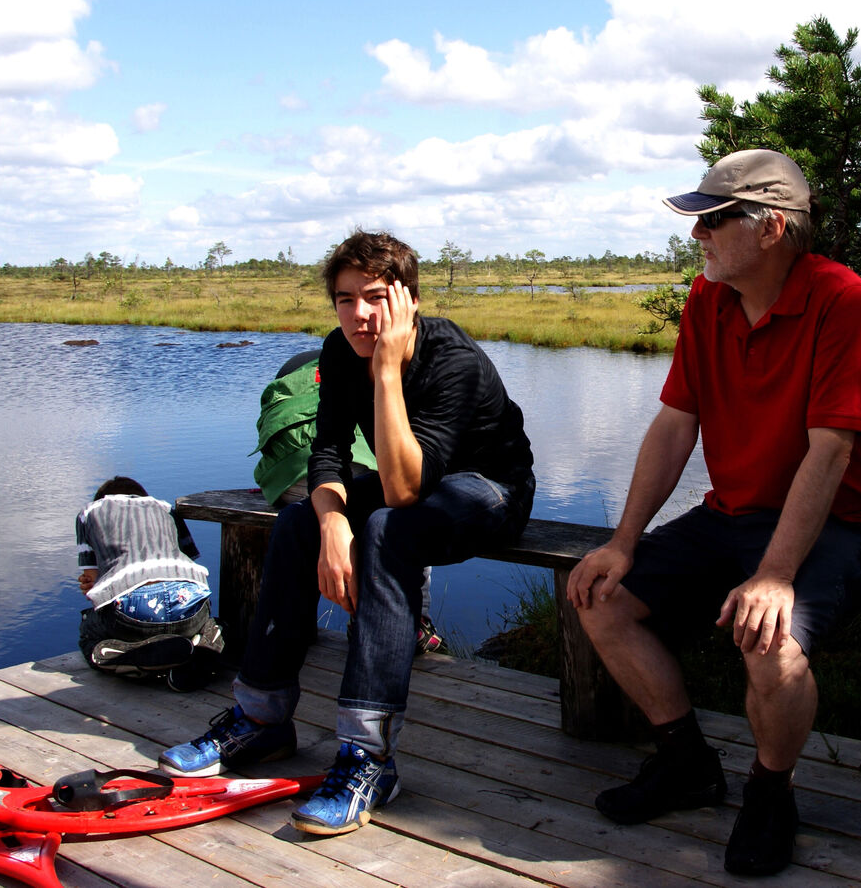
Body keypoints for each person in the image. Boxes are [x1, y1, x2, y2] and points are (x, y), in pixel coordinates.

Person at [566, 149, 861, 877]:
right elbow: (675, 423)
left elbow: (831, 450)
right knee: (601, 598)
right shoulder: (707, 298)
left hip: (841, 524)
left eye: (714, 221)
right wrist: (623, 541)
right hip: (732, 514)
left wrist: (775, 575)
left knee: (770, 642)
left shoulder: (842, 300)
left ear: (771, 227)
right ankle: (684, 761)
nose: (697, 235)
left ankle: (771, 793)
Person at [160, 229, 536, 838]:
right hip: (409, 483)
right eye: (344, 299)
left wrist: (386, 372)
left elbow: (405, 492)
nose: (359, 314)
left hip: (490, 489)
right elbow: (329, 451)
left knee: (389, 528)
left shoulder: (453, 360)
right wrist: (333, 524)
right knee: (298, 522)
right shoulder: (339, 350)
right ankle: (262, 718)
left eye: (376, 297)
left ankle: (368, 758)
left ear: (409, 300)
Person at [253, 350, 441, 654]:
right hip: (346, 475)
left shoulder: (291, 372)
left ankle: (292, 627)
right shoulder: (371, 368)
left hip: (285, 480)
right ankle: (413, 618)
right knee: (409, 509)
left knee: (307, 520)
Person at [77, 476, 223, 690]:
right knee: (211, 622)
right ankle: (204, 647)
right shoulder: (165, 509)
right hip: (190, 609)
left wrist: (93, 585)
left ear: (102, 499)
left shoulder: (89, 512)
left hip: (135, 615)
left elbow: (92, 583)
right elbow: (188, 559)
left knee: (89, 626)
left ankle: (130, 656)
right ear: (142, 497)